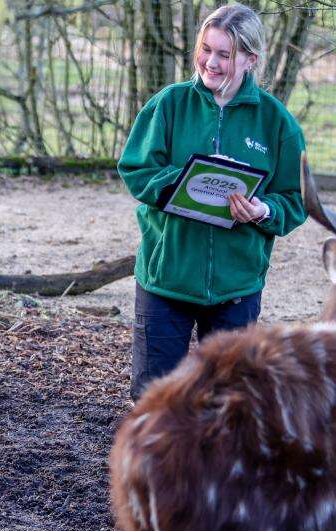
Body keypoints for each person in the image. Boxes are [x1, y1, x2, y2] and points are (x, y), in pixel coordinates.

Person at [118, 4, 308, 401]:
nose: (211, 62)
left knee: (226, 405)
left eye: (225, 54)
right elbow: (136, 168)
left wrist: (263, 211)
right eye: (206, 49)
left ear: (250, 60)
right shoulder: (169, 105)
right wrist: (185, 184)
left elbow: (296, 199)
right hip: (166, 278)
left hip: (235, 287)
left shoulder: (277, 123)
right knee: (155, 404)